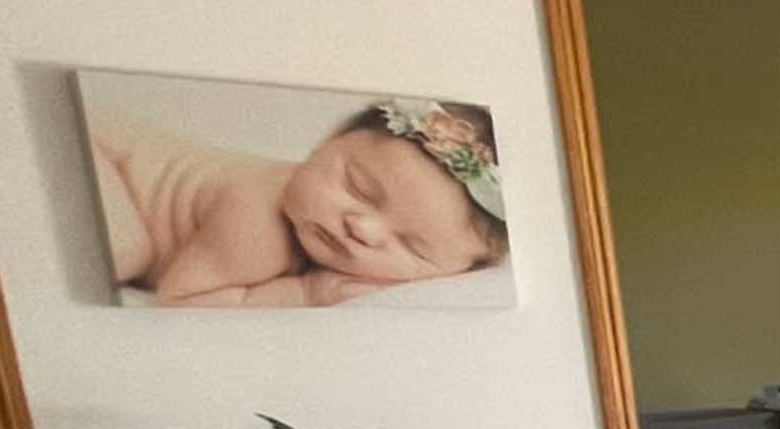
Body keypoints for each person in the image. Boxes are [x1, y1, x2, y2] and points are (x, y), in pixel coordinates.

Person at [94, 96, 506, 307]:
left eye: (413, 246)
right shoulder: (257, 223)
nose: (362, 227)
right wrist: (308, 293)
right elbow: (178, 301)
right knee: (126, 248)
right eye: (358, 187)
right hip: (101, 154)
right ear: (327, 142)